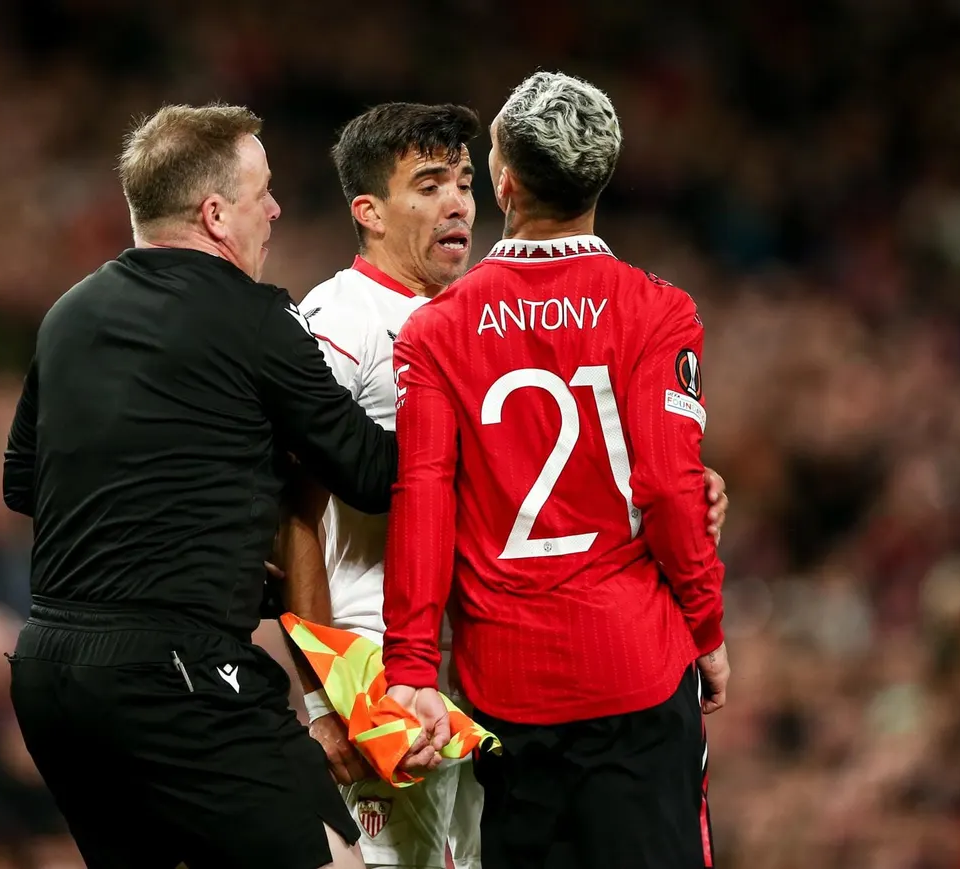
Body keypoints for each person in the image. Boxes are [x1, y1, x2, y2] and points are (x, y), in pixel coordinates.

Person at [277, 102, 730, 869]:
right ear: (369, 211)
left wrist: (681, 481)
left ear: (501, 182)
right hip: (394, 684)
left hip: (479, 680)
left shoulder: (442, 324)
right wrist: (330, 696)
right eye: (428, 185)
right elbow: (291, 506)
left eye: (462, 179)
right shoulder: (342, 321)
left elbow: (440, 489)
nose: (456, 202)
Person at [2, 103, 388, 869]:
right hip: (176, 678)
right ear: (215, 214)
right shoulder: (253, 317)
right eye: (262, 192)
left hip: (51, 677)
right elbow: (371, 472)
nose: (276, 208)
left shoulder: (67, 316)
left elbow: (23, 484)